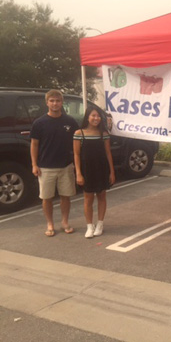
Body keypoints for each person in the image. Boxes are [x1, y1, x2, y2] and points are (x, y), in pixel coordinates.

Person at [30, 90, 79, 237]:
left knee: (66, 196)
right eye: (52, 101)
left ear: (62, 102)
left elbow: (77, 142)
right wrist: (34, 164)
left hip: (66, 166)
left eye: (57, 100)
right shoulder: (39, 123)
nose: (55, 103)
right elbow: (34, 145)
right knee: (47, 198)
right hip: (45, 167)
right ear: (47, 103)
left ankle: (65, 222)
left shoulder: (70, 121)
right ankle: (50, 223)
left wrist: (77, 162)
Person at [74, 105, 115, 238]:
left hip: (102, 169)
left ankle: (100, 224)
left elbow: (108, 153)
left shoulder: (104, 134)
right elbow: (76, 155)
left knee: (102, 196)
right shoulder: (79, 133)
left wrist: (112, 172)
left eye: (98, 116)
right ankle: (89, 226)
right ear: (87, 117)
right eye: (93, 115)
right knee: (88, 198)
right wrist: (79, 173)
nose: (96, 118)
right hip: (87, 170)